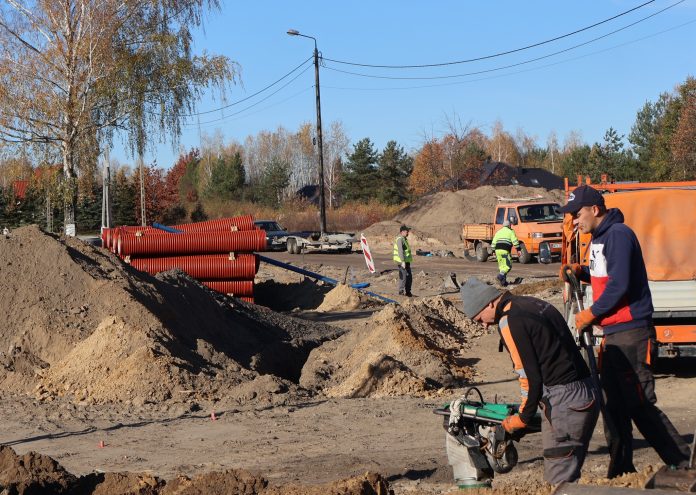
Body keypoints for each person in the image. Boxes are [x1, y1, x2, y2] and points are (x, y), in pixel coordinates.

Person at [558, 184, 691, 478]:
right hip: (614, 333)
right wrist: (581, 272)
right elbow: (604, 277)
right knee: (613, 406)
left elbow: (619, 285)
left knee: (639, 403)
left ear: (595, 209)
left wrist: (589, 314)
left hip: (632, 331)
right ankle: (621, 469)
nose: (575, 222)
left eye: (577, 215)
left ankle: (683, 463)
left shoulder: (618, 236)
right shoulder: (598, 239)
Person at [460, 277, 599, 485]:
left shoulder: (509, 320)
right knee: (570, 476)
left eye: (480, 319)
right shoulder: (535, 304)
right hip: (586, 392)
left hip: (565, 401)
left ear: (488, 302)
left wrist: (521, 419)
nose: (485, 326)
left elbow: (529, 377)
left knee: (559, 482)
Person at [491, 219, 520, 287]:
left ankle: (503, 282)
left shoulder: (498, 232)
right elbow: (515, 241)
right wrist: (518, 249)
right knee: (508, 266)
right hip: (504, 250)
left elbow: (493, 242)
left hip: (497, 250)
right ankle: (500, 277)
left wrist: (493, 251)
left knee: (502, 266)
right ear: (509, 225)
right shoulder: (511, 231)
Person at [393, 225, 412, 296]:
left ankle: (408, 292)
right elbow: (400, 251)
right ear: (402, 232)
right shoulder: (400, 239)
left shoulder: (404, 239)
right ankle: (401, 292)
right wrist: (402, 261)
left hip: (406, 261)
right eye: (407, 231)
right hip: (402, 262)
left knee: (408, 276)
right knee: (404, 276)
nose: (408, 233)